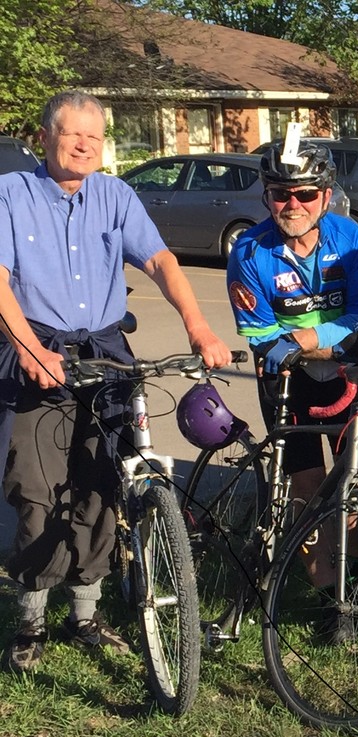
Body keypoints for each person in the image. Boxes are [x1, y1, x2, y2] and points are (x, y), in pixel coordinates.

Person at [0, 90, 231, 672]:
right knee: (36, 488)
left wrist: (198, 325)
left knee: (103, 481)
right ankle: (29, 621)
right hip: (38, 347)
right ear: (46, 136)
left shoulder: (116, 195)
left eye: (95, 137)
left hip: (104, 348)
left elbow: (160, 261)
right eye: (73, 134)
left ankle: (85, 613)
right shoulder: (11, 195)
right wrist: (28, 347)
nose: (84, 145)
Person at [224, 138, 358, 609]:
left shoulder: (350, 237)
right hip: (286, 382)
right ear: (266, 196)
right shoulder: (249, 252)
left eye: (305, 194)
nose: (292, 204)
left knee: (355, 481)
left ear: (326, 195)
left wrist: (303, 339)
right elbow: (265, 342)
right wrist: (320, 340)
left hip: (345, 373)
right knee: (306, 488)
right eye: (280, 193)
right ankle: (328, 593)